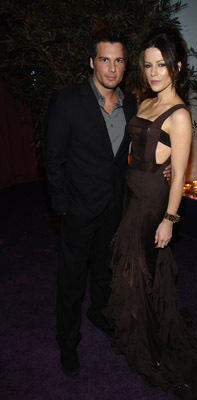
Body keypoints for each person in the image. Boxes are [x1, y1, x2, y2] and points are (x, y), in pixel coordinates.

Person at [104, 26, 197, 399]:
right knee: (141, 268)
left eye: (161, 65)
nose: (154, 72)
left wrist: (170, 219)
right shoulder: (145, 102)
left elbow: (180, 175)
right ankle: (147, 330)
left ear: (176, 66)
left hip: (151, 204)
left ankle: (151, 347)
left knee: (133, 270)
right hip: (132, 192)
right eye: (147, 65)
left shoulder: (179, 115)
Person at [44, 27, 172, 378]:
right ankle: (67, 342)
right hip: (78, 209)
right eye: (104, 59)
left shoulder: (132, 103)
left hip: (115, 208)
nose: (112, 68)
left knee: (104, 271)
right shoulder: (67, 101)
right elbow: (53, 159)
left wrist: (166, 166)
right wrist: (63, 206)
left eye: (118, 60)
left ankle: (99, 312)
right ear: (92, 62)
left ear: (125, 65)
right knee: (71, 281)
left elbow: (145, 146)